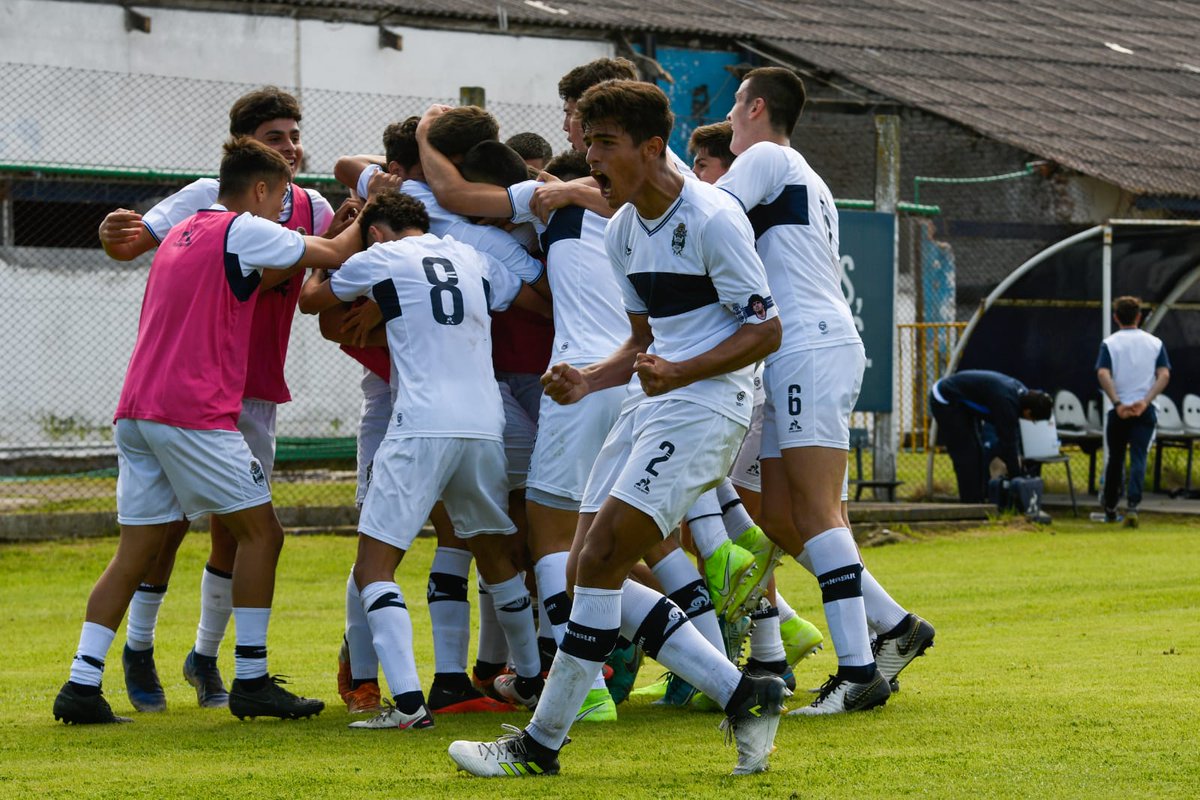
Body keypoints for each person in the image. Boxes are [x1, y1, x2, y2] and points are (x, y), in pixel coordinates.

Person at [447, 79, 788, 779]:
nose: (590, 157)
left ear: (652, 147)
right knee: (582, 570)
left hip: (706, 408)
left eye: (604, 143)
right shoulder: (626, 229)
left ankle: (539, 745)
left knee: (599, 558)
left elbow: (767, 329)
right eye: (587, 141)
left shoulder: (714, 218)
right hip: (653, 403)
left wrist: (684, 371)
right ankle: (742, 693)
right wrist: (588, 379)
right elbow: (641, 344)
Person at [53, 138, 369, 725]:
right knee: (263, 535)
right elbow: (326, 249)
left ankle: (81, 683)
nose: (283, 209)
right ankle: (249, 677)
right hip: (193, 412)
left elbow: (279, 271)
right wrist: (367, 216)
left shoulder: (182, 229)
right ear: (258, 190)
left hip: (139, 410)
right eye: (279, 198)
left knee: (135, 552)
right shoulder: (243, 228)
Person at [718, 67, 933, 715]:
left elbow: (707, 213)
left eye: (734, 106)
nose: (729, 119)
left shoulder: (764, 156)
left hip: (807, 345)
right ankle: (894, 626)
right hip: (802, 346)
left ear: (757, 108)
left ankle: (858, 671)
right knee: (782, 518)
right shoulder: (797, 171)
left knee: (816, 513)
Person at [298, 189, 547, 731]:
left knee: (373, 566)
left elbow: (313, 302)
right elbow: (522, 298)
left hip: (422, 424)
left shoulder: (381, 255)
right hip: (485, 423)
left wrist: (329, 258)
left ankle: (409, 705)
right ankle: (529, 676)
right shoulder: (473, 256)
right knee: (494, 551)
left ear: (379, 232)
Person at [1096, 295, 1171, 527]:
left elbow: (1103, 373)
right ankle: (1133, 507)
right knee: (1139, 456)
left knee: (1115, 458)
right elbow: (1164, 374)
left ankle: (1110, 508)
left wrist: (1118, 403)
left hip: (1118, 411)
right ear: (1139, 316)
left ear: (1116, 317)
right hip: (1144, 410)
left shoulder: (1110, 343)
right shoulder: (1155, 343)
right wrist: (1146, 401)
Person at [930, 369, 1054, 503]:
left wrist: (1015, 466)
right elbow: (1009, 444)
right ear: (1028, 412)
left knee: (978, 451)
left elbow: (1010, 439)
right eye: (1034, 419)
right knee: (967, 455)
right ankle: (970, 506)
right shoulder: (1007, 403)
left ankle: (978, 500)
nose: (1031, 422)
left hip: (963, 402)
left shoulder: (1021, 395)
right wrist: (1017, 479)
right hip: (945, 399)